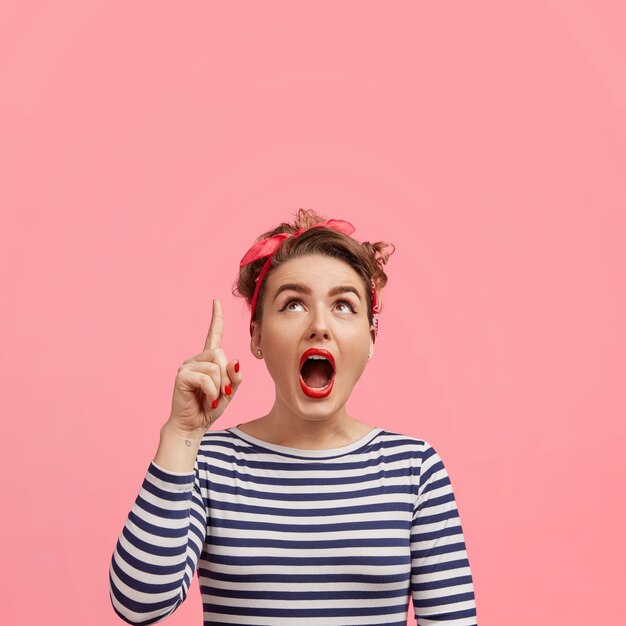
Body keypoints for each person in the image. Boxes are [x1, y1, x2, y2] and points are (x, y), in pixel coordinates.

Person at [108, 208, 478, 625]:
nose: (320, 325)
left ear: (371, 338)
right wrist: (181, 434)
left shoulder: (414, 470)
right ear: (257, 335)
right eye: (293, 304)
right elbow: (137, 603)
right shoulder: (207, 464)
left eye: (343, 305)